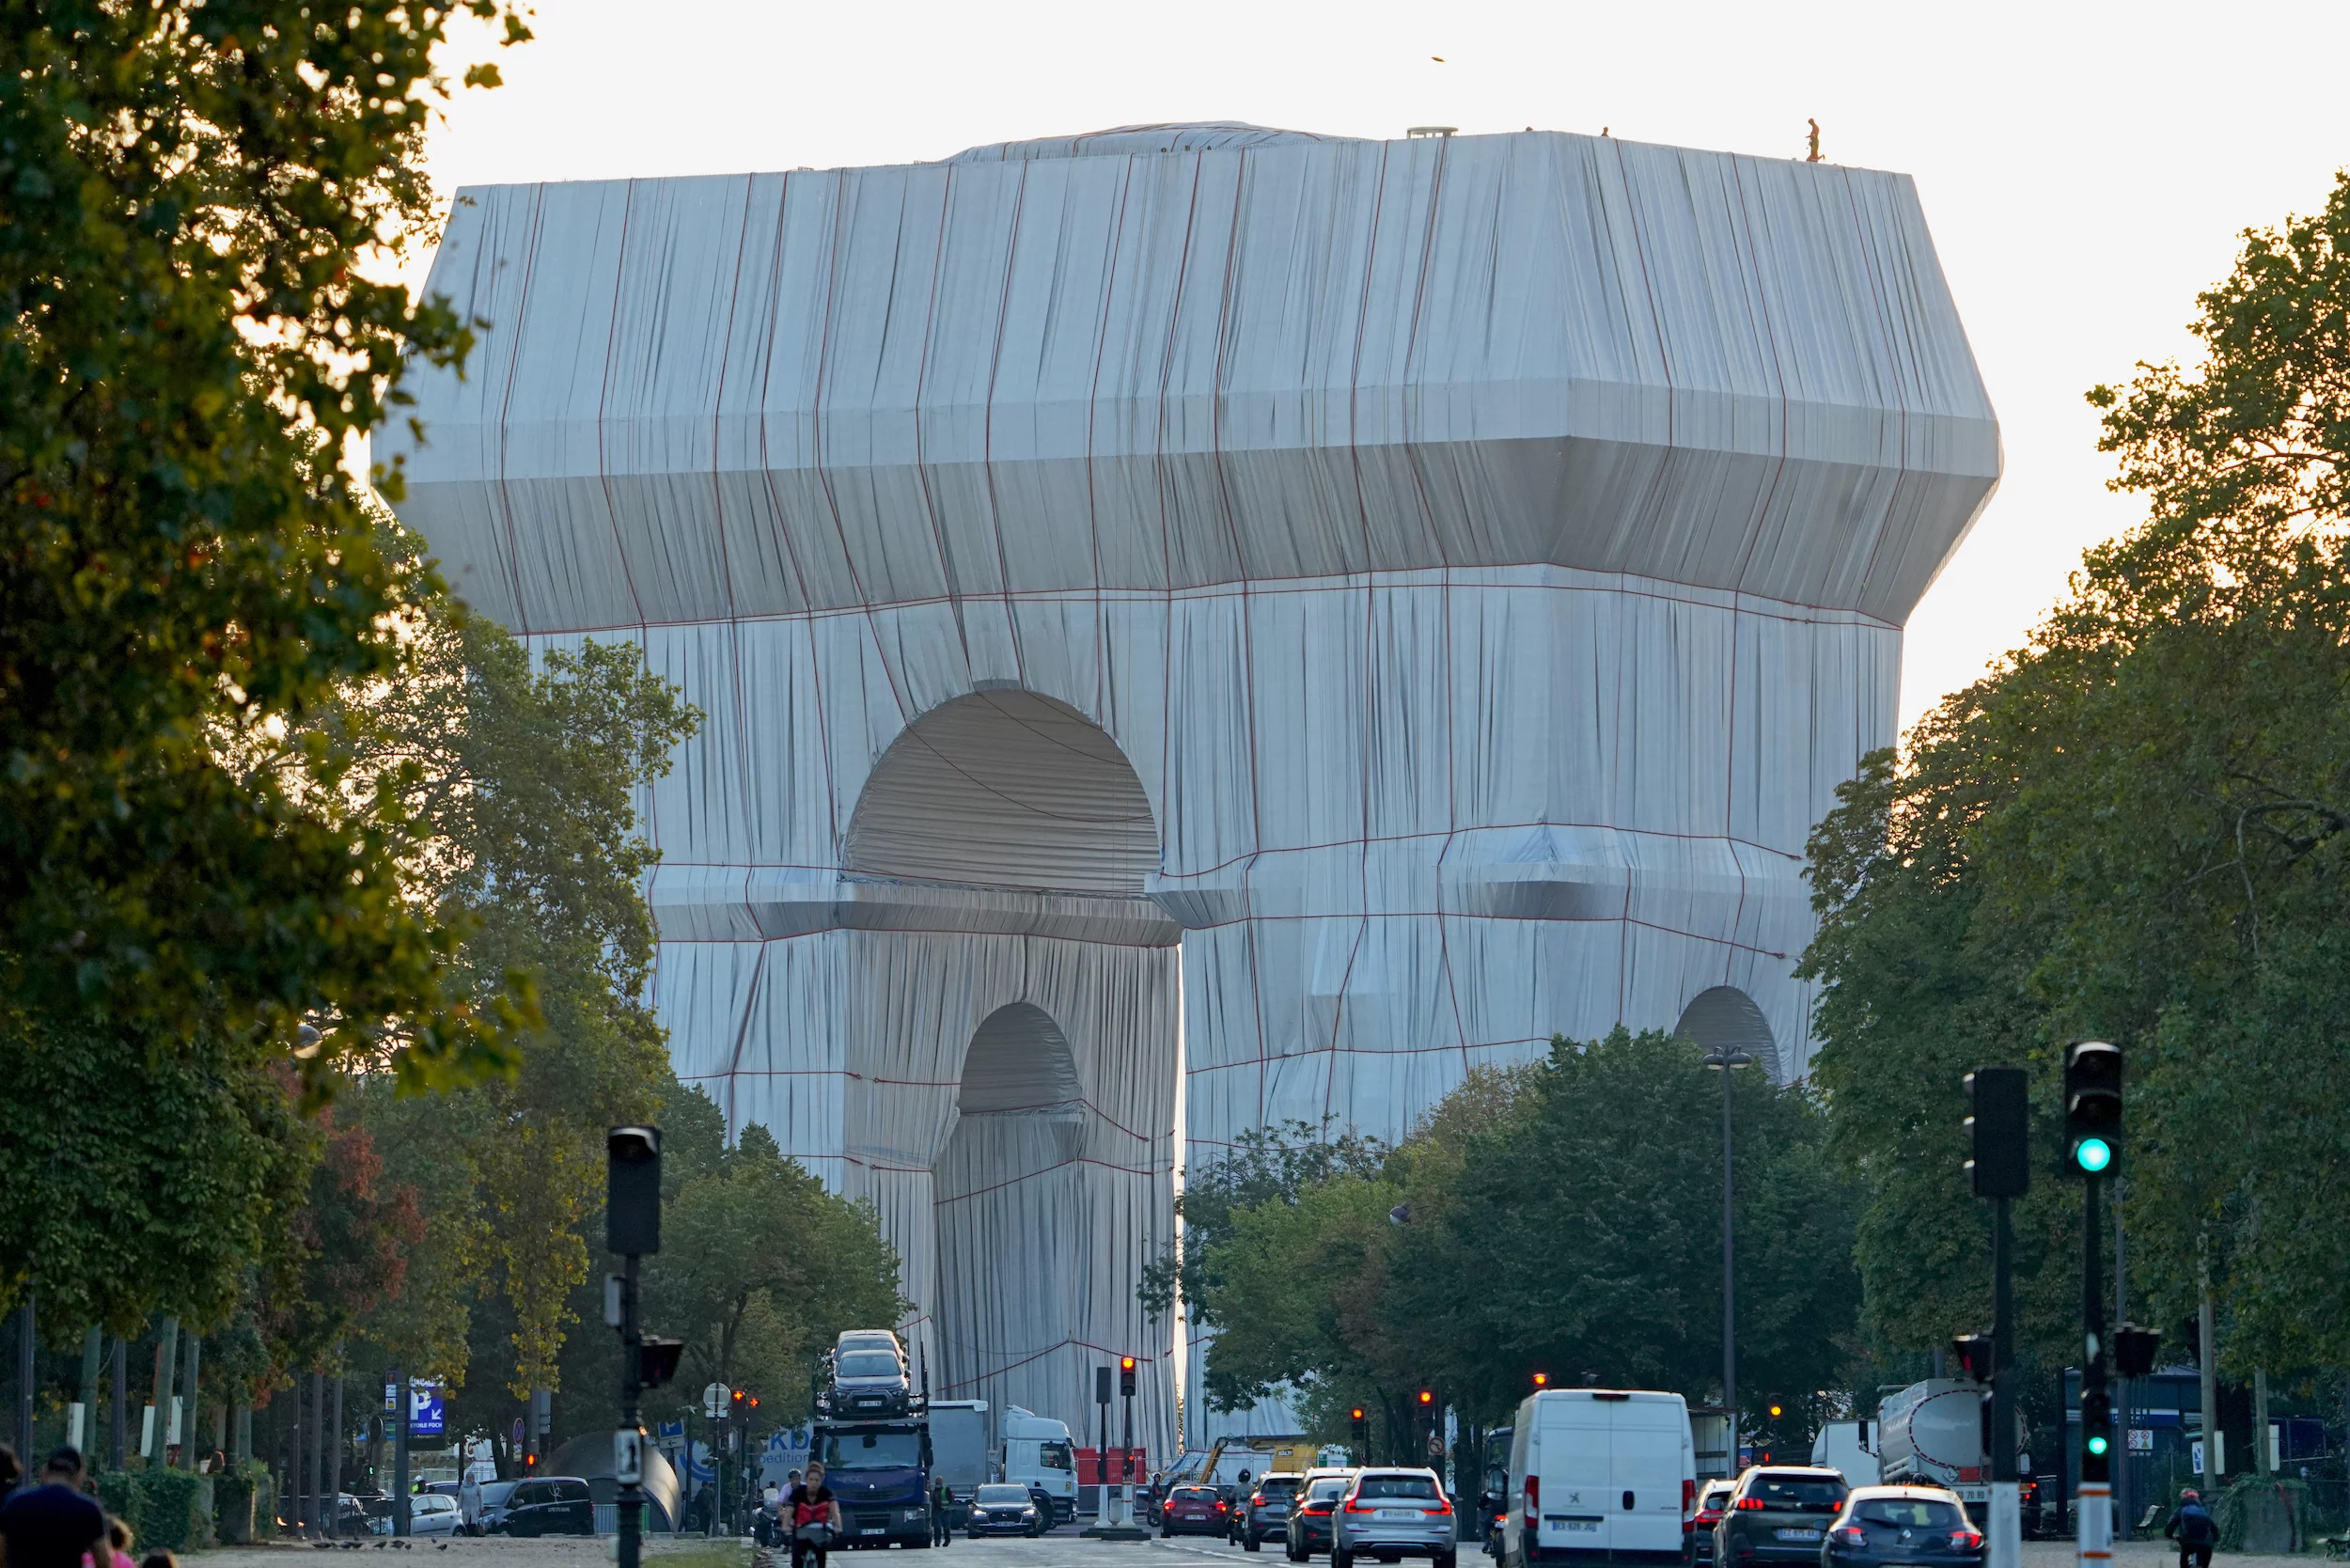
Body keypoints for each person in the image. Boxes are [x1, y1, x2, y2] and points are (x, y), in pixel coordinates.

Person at [0, 1449, 107, 1568]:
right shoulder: (88, 1508)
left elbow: (2, 1552)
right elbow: (103, 1561)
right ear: (80, 1475)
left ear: (45, 1471)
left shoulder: (16, 1502)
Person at [786, 1461, 841, 1568]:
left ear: (821, 1481)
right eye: (811, 1479)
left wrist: (838, 1526)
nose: (814, 1483)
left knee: (821, 1558)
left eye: (817, 1480)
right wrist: (785, 1526)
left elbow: (835, 1511)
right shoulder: (797, 1492)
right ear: (806, 1480)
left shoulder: (827, 1493)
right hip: (800, 1531)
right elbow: (789, 1511)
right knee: (797, 1561)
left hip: (820, 1532)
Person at [2166, 1488, 2217, 1568]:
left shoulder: (2181, 1510)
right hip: (2205, 1543)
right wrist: (2215, 1538)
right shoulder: (2203, 1510)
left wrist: (2170, 1535)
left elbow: (2171, 1525)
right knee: (2205, 1555)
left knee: (2184, 1556)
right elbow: (2213, 1528)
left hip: (2188, 1541)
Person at [930, 1478, 954, 1547]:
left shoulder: (946, 1489)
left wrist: (948, 1506)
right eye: (937, 1482)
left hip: (945, 1511)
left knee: (946, 1527)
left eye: (939, 1482)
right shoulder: (933, 1491)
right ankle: (937, 1541)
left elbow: (951, 1498)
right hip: (936, 1512)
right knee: (937, 1527)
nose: (938, 1483)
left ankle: (947, 1540)